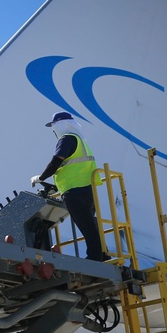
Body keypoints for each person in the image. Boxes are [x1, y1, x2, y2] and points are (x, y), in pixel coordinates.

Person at [30, 111, 107, 261]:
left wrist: (41, 177)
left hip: (75, 190)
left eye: (54, 126)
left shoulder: (67, 139)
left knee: (86, 225)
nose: (53, 130)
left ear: (61, 125)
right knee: (90, 224)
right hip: (88, 189)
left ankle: (95, 256)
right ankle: (102, 253)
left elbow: (56, 160)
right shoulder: (81, 141)